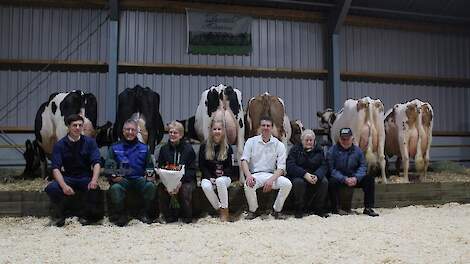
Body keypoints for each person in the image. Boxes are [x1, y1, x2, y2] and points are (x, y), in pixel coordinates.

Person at [44, 114, 102, 227]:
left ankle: (86, 216)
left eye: (80, 125)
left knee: (95, 188)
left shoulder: (90, 142)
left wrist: (94, 180)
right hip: (68, 177)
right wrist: (64, 186)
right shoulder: (60, 145)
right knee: (52, 188)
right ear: (68, 127)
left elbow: (97, 163)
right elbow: (55, 168)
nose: (77, 128)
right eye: (74, 125)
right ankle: (59, 216)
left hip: (85, 177)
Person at [105, 119, 157, 226]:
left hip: (139, 179)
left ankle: (144, 213)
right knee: (115, 188)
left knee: (150, 186)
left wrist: (150, 176)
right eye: (127, 129)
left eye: (132, 130)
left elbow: (149, 166)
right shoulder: (114, 147)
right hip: (122, 180)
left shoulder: (144, 148)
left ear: (137, 132)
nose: (130, 132)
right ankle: (121, 214)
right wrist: (114, 176)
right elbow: (108, 166)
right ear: (123, 131)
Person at [241, 116, 292, 220]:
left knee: (287, 184)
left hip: (271, 175)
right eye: (263, 125)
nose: (265, 128)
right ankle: (253, 210)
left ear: (272, 128)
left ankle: (276, 211)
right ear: (260, 128)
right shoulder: (251, 141)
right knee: (248, 184)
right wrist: (248, 176)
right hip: (256, 175)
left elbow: (281, 168)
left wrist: (271, 180)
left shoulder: (279, 145)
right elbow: (244, 161)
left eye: (268, 126)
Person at [327, 127, 379, 217]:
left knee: (369, 179)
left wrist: (356, 177)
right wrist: (344, 179)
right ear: (339, 139)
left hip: (354, 178)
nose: (345, 141)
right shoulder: (332, 151)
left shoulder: (358, 151)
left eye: (348, 139)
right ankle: (336, 208)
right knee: (331, 182)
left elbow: (363, 166)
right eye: (343, 139)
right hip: (340, 178)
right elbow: (331, 169)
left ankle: (368, 208)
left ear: (352, 139)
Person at [157, 121, 197, 223]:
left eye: (175, 133)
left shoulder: (188, 150)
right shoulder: (164, 149)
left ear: (181, 135)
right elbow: (160, 167)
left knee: (185, 189)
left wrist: (180, 183)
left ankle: (187, 217)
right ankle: (168, 216)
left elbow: (192, 170)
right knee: (161, 189)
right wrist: (168, 184)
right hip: (168, 180)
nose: (172, 135)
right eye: (170, 132)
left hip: (186, 181)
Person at [286, 129, 329, 218]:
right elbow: (290, 165)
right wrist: (305, 174)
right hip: (300, 175)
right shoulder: (295, 149)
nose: (309, 142)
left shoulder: (319, 150)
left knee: (324, 181)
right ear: (302, 141)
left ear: (314, 141)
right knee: (298, 182)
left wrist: (317, 175)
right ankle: (299, 208)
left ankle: (319, 208)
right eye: (306, 140)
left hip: (314, 175)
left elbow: (324, 165)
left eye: (311, 140)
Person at [199, 118, 235, 222]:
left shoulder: (228, 147)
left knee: (220, 181)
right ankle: (220, 209)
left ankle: (225, 209)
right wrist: (209, 177)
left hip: (224, 177)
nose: (217, 131)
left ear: (223, 131)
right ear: (211, 131)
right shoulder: (203, 146)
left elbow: (230, 167)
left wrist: (222, 176)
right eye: (214, 129)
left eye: (219, 129)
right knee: (205, 186)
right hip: (209, 176)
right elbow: (202, 166)